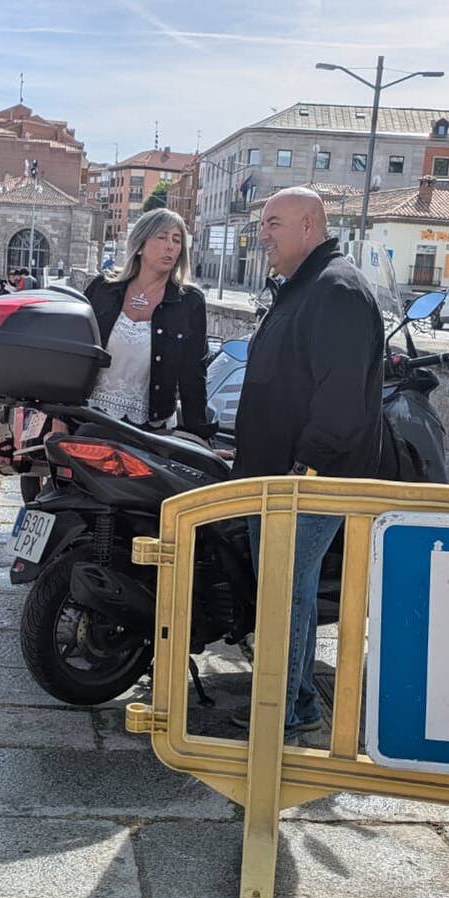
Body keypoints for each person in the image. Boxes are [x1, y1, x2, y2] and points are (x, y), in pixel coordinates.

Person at [232, 188, 383, 740]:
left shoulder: (336, 289)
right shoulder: (305, 286)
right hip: (278, 475)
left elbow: (339, 400)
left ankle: (286, 712)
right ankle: (294, 699)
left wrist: (307, 470)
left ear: (309, 226)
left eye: (273, 223)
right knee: (283, 589)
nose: (263, 235)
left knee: (284, 589)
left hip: (306, 481)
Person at [83, 207, 213, 436]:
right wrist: (59, 418)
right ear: (140, 244)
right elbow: (76, 354)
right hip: (88, 419)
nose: (170, 246)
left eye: (177, 240)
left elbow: (193, 375)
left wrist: (200, 438)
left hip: (150, 431)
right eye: (162, 237)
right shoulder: (103, 288)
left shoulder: (190, 301)